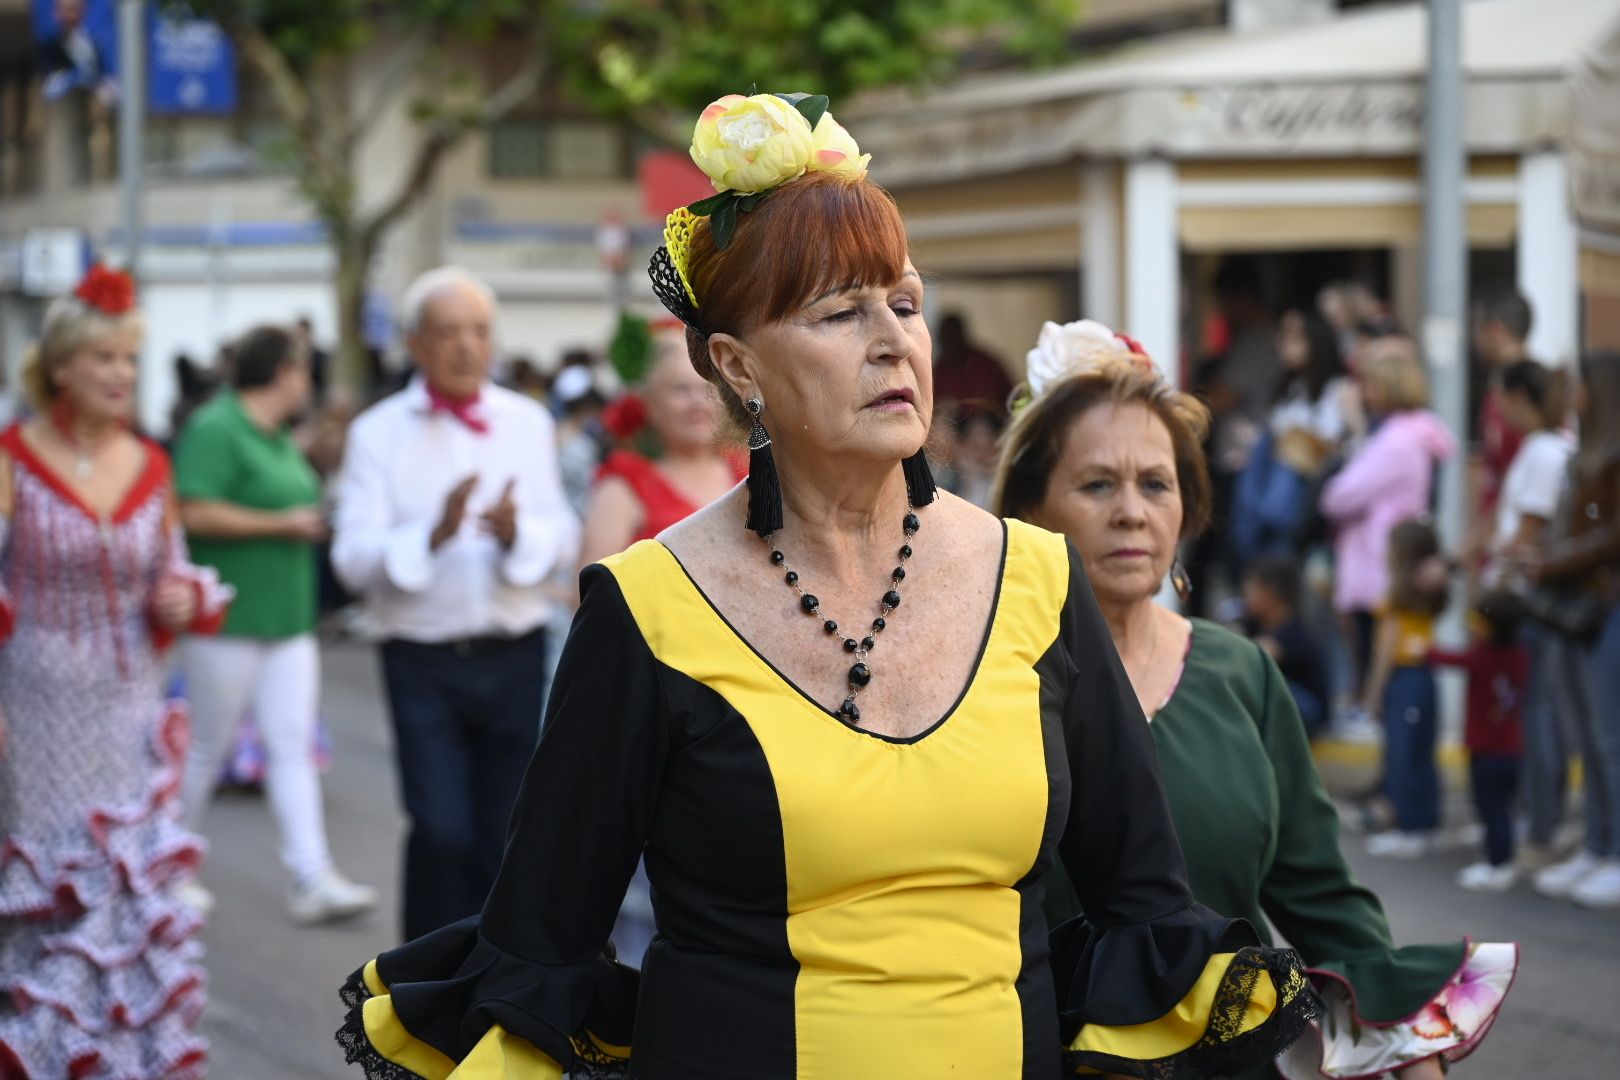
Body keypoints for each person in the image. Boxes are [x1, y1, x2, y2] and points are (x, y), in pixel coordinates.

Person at [335, 94, 1315, 1080]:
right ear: (737, 364)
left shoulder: (1037, 580)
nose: (894, 340)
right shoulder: (647, 612)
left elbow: (1141, 908)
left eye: (906, 302)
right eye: (841, 313)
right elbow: (543, 942)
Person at [992, 318, 1516, 1080]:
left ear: (1186, 509)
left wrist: (1406, 1049)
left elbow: (1319, 895)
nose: (1132, 511)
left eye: (1156, 484)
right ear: (1031, 511)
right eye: (1097, 483)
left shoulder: (1240, 672)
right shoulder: (987, 678)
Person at [0, 265, 232, 1076]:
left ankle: (118, 1058)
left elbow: (176, 571)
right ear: (61, 365)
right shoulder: (12, 458)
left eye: (129, 361)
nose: (121, 375)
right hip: (32, 707)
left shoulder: (153, 466)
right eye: (104, 358)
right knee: (48, 894)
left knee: (124, 894)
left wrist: (180, 601)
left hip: (130, 703)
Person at [330, 266, 579, 942]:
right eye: (447, 333)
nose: (467, 347)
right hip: (422, 659)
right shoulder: (378, 433)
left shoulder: (527, 422)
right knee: (440, 830)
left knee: (503, 836)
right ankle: (423, 987)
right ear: (415, 345)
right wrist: (430, 536)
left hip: (514, 653)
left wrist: (514, 533)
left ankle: (490, 991)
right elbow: (350, 559)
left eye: (479, 332)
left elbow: (561, 534)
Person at [173, 324, 378, 924]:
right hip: (229, 618)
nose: (307, 382)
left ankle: (311, 878)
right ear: (284, 373)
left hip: (286, 620)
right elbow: (193, 508)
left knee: (291, 748)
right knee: (206, 745)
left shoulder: (276, 433)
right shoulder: (216, 427)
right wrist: (281, 525)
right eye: (303, 371)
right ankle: (168, 870)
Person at [1529, 349, 1620, 909]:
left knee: (1609, 738)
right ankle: (1596, 844)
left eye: (1581, 386)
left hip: (1604, 605)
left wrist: (1553, 561)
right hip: (1578, 606)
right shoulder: (1583, 454)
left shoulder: (1611, 457)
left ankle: (1613, 853)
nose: (1572, 395)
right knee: (1588, 733)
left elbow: (1610, 539)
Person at [1319, 336, 1455, 707]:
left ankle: (1376, 712)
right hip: (1386, 559)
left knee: (1383, 657)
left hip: (1380, 563)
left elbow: (1339, 496)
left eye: (1371, 384)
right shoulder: (1410, 436)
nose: (1364, 393)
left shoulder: (1397, 441)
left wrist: (1356, 433)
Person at [577, 327, 746, 566]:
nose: (698, 403)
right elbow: (589, 592)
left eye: (708, 388)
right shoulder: (624, 487)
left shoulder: (751, 471)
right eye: (681, 389)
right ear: (651, 405)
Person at [1231, 308, 1355, 566]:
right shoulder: (1290, 389)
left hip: (1302, 503)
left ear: (1316, 341)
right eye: (1283, 334)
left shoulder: (1338, 391)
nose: (1285, 342)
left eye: (1295, 335)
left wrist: (1287, 440)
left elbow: (1330, 446)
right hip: (1270, 500)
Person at [1427, 591, 1531, 891]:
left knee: (1491, 809)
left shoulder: (1482, 656)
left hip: (1487, 750)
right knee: (1502, 809)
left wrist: (1422, 648)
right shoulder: (1520, 654)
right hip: (1512, 748)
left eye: (1475, 622)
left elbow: (1447, 658)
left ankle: (1499, 863)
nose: (1470, 627)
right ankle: (1499, 859)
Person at [1359, 519, 1451, 857]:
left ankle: (1407, 826)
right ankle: (1426, 822)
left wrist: (1373, 692)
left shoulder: (1396, 598)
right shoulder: (1428, 595)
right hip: (1426, 676)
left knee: (1401, 755)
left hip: (1403, 678)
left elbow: (1385, 652)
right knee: (1423, 753)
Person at [1240, 556, 1331, 739]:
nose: (1245, 593)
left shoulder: (1295, 632)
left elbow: (1254, 656)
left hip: (1310, 713)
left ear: (1272, 592)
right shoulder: (1254, 625)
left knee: (1262, 683)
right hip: (1286, 711)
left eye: (1252, 587)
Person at [1469, 288, 1535, 529]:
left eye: (1477, 327)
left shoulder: (1524, 395)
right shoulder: (1500, 388)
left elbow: (1518, 479)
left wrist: (1478, 539)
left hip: (1510, 541)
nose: (1474, 338)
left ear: (1495, 329)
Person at [932, 310, 1013, 420]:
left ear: (961, 336)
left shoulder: (986, 365)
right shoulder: (939, 370)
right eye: (945, 338)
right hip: (953, 427)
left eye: (952, 337)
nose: (949, 343)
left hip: (987, 425)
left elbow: (1011, 400)